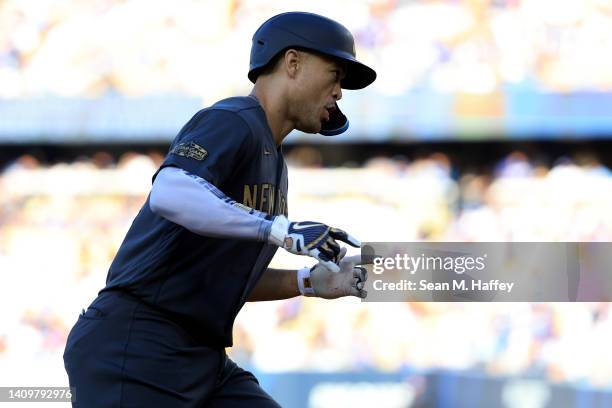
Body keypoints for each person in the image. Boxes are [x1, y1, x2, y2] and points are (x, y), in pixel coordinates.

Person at [63, 11, 376, 407]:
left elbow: (226, 277)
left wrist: (309, 282)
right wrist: (278, 228)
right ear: (292, 63)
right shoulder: (233, 120)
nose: (340, 93)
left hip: (198, 355)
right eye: (335, 74)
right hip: (137, 345)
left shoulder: (273, 161)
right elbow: (170, 192)